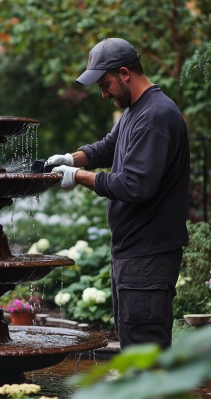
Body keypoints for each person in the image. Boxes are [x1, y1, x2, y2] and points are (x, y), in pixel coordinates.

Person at [46, 38, 190, 349]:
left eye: (105, 84)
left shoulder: (157, 116)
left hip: (148, 254)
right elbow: (109, 146)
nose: (103, 93)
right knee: (134, 346)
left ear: (125, 73)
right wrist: (72, 159)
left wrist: (78, 177)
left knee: (144, 351)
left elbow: (134, 185)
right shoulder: (136, 111)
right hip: (133, 252)